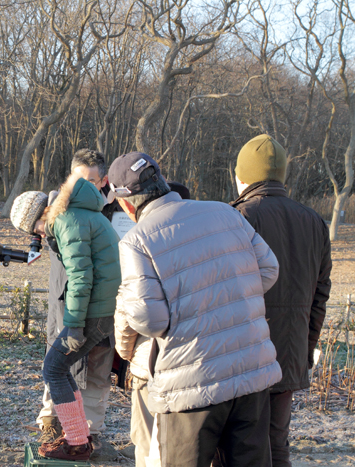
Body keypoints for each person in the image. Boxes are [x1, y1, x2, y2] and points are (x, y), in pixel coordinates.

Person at [110, 151, 282, 467]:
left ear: (125, 202)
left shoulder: (137, 240)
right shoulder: (225, 213)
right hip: (251, 372)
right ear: (161, 181)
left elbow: (150, 319)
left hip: (191, 385)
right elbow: (269, 269)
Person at [230, 134, 332, 467]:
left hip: (244, 354)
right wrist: (304, 350)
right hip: (289, 352)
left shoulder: (239, 217)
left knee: (239, 444)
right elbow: (321, 295)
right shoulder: (315, 221)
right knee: (277, 441)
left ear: (241, 176)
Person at [9, 171, 121, 461]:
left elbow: (80, 278)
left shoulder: (68, 222)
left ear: (44, 214)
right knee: (60, 368)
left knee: (54, 368)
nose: (40, 235)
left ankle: (76, 442)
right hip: (100, 309)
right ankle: (77, 436)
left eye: (37, 229)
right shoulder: (80, 214)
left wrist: (72, 326)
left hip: (92, 314)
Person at [115, 180, 191, 467]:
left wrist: (125, 352)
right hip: (197, 366)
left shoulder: (143, 241)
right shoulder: (198, 242)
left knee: (146, 443)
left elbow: (131, 310)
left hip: (150, 363)